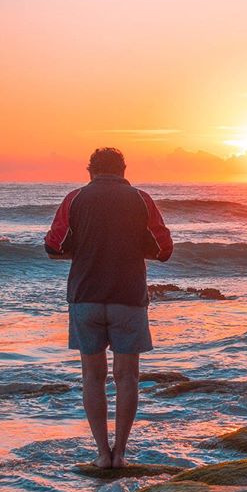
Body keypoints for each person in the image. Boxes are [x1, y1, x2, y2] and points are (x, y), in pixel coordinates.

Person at [45, 148, 173, 468]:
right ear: (123, 169)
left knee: (92, 376)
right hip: (127, 297)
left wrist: (78, 250)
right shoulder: (140, 198)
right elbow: (164, 250)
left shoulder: (75, 198)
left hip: (85, 296)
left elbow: (53, 245)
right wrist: (136, 247)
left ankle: (102, 453)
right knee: (127, 376)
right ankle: (121, 454)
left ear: (90, 171)